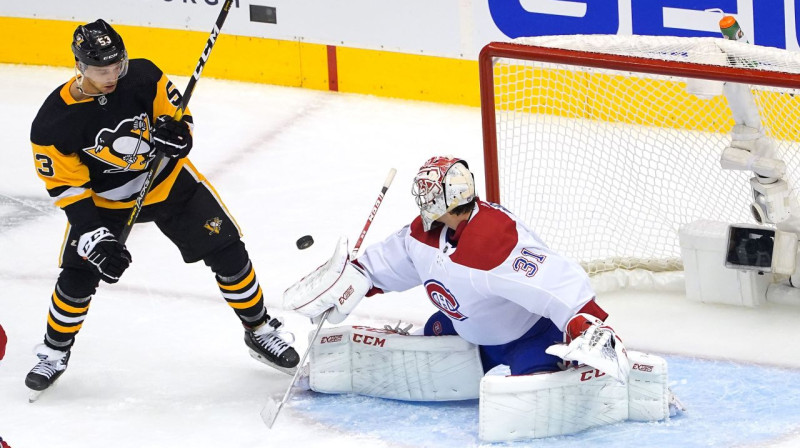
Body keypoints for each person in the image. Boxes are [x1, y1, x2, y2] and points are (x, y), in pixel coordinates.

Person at [26, 19, 299, 395]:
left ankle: (260, 330)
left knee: (229, 253)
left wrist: (179, 136)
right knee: (78, 277)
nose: (111, 76)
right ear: (79, 66)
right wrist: (95, 236)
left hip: (169, 183)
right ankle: (54, 353)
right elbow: (67, 189)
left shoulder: (143, 76)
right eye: (101, 70)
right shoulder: (53, 124)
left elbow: (179, 118)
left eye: (116, 66)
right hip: (106, 202)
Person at [285, 155, 629, 381]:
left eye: (427, 194)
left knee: (533, 381)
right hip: (465, 330)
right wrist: (351, 281)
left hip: (530, 337)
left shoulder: (493, 241)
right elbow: (386, 264)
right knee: (436, 327)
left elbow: (556, 281)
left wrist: (586, 326)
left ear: (444, 200)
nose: (421, 200)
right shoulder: (425, 233)